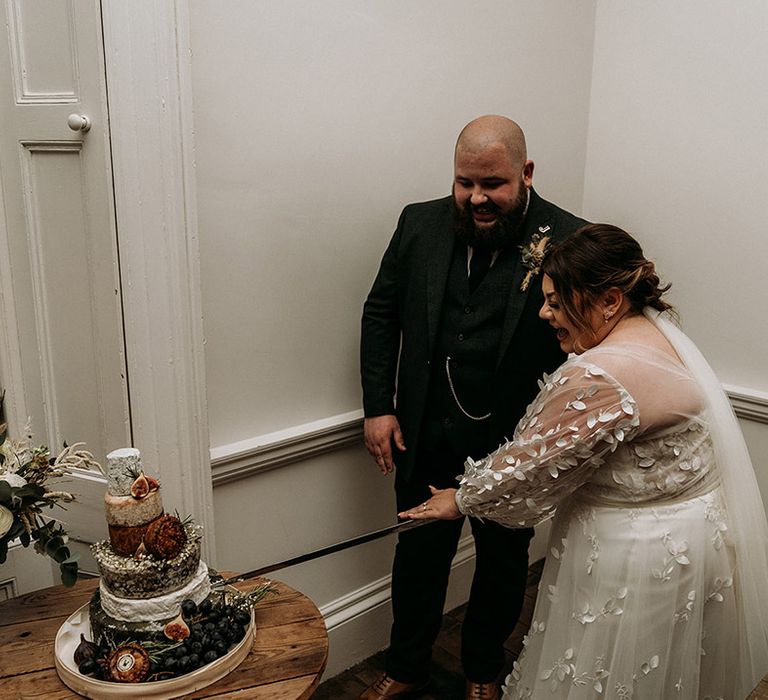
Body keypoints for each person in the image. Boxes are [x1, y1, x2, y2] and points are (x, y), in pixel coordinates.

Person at [400, 224, 768, 699]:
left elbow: (532, 466)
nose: (544, 312)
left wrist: (462, 498)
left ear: (611, 300)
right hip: (696, 538)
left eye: (555, 301)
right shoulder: (664, 335)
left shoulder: (598, 374)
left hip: (634, 557)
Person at [360, 115, 587, 700]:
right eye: (466, 183)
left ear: (526, 173)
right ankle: (406, 666)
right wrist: (377, 407)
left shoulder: (571, 238)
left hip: (513, 444)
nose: (477, 198)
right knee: (417, 561)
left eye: (493, 184)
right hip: (423, 432)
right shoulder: (419, 223)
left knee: (503, 565)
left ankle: (483, 671)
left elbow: (587, 344)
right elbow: (381, 313)